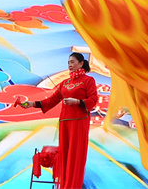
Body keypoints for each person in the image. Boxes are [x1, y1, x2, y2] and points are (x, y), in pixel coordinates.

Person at [19, 52, 98, 189]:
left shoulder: (88, 80)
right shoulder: (64, 83)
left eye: (73, 62)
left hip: (79, 122)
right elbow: (51, 100)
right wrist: (32, 104)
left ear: (81, 63)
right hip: (65, 122)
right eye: (68, 62)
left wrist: (77, 101)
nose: (70, 65)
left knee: (75, 156)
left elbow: (93, 100)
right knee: (65, 157)